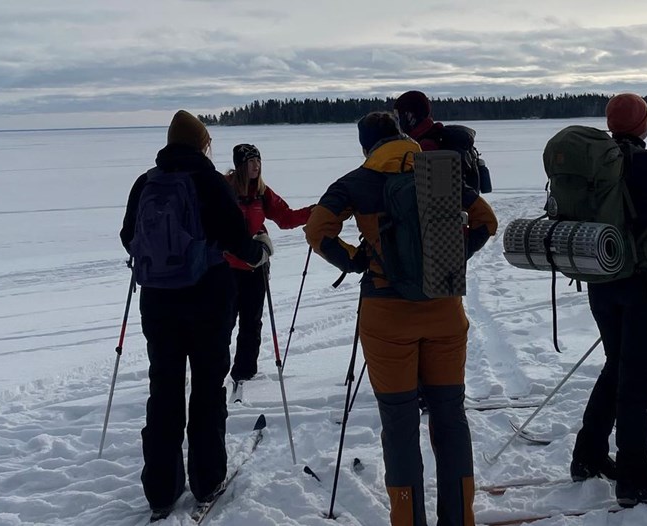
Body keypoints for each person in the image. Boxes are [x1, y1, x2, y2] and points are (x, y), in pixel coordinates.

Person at [304, 111, 498, 526]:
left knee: (399, 425)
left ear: (365, 146)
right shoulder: (439, 172)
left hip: (386, 316)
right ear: (402, 137)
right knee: (449, 417)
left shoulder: (355, 181)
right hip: (444, 312)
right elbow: (486, 220)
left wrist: (356, 261)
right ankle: (460, 519)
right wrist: (452, 259)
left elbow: (317, 228)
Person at [119, 110, 272, 519]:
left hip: (157, 303)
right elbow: (236, 239)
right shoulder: (208, 181)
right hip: (207, 301)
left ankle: (160, 489)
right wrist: (259, 250)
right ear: (202, 143)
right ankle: (207, 478)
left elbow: (126, 236)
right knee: (207, 390)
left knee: (164, 392)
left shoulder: (146, 182)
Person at [569, 94, 647, 508]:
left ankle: (588, 455)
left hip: (601, 279)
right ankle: (635, 476)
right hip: (646, 286)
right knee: (637, 380)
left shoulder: (592, 163)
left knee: (617, 367)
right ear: (643, 125)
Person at [224, 143, 314, 393]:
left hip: (255, 266)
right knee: (224, 321)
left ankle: (245, 371)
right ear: (240, 165)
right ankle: (215, 370)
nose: (256, 166)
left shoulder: (262, 192)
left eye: (258, 161)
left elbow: (285, 217)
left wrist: (313, 213)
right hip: (227, 268)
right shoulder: (225, 188)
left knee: (251, 321)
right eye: (251, 161)